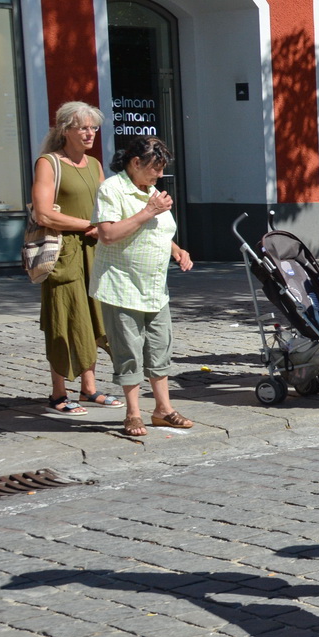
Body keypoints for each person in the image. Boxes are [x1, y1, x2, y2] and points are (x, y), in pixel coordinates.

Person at [88, 135, 193, 438]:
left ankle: (163, 409)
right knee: (129, 351)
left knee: (160, 347)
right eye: (155, 168)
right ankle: (133, 412)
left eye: (161, 169)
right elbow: (107, 234)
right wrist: (149, 211)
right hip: (121, 285)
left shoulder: (151, 191)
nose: (160, 175)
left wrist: (176, 250)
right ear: (135, 163)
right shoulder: (112, 189)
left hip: (154, 288)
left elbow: (159, 230)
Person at [32, 102, 114, 415]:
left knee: (92, 318)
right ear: (65, 130)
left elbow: (106, 205)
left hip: (94, 252)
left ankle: (90, 388)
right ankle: (58, 393)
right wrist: (88, 226)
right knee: (64, 320)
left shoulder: (94, 165)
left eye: (93, 127)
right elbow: (43, 214)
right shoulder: (49, 163)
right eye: (83, 127)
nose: (90, 133)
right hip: (63, 254)